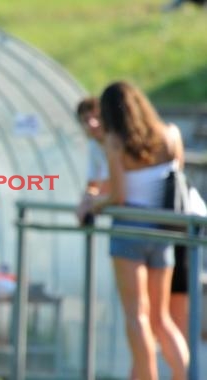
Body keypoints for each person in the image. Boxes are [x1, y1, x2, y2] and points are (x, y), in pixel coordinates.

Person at [90, 81, 188, 380]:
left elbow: (118, 195)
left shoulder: (115, 141)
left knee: (137, 315)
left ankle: (147, 376)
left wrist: (94, 204)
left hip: (130, 228)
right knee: (161, 318)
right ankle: (184, 374)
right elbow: (175, 180)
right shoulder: (171, 135)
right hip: (164, 229)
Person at [74, 97, 109, 224]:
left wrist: (90, 200)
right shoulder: (94, 145)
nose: (92, 124)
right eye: (86, 120)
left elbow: (113, 186)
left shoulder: (119, 143)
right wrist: (87, 198)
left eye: (97, 117)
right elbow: (92, 184)